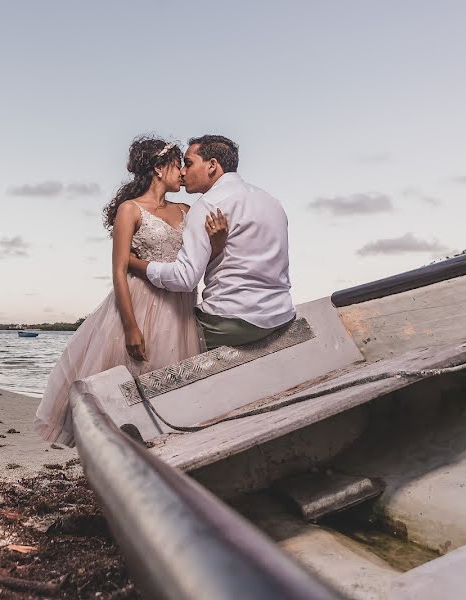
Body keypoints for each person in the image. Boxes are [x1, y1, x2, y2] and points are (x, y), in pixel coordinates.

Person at [33, 137, 227, 446]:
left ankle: (171, 453)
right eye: (177, 164)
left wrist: (217, 242)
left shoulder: (187, 210)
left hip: (179, 310)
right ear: (158, 170)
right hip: (140, 305)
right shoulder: (130, 210)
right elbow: (119, 271)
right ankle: (128, 451)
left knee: (175, 389)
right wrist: (130, 327)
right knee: (134, 386)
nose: (182, 172)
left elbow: (200, 262)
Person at [129, 135, 295, 350]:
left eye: (188, 163)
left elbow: (184, 279)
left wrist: (133, 263)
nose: (183, 172)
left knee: (152, 341)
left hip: (229, 321)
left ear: (212, 165)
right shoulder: (272, 201)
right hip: (280, 314)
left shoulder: (207, 205)